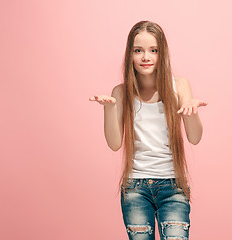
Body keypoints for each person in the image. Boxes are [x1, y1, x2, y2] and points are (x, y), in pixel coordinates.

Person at [89, 20, 207, 240]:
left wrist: (192, 110)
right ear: (130, 55)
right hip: (135, 188)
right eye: (138, 51)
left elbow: (195, 137)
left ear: (163, 54)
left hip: (173, 187)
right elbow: (114, 144)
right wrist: (108, 109)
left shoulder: (179, 86)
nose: (146, 57)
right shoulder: (121, 92)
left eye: (153, 50)